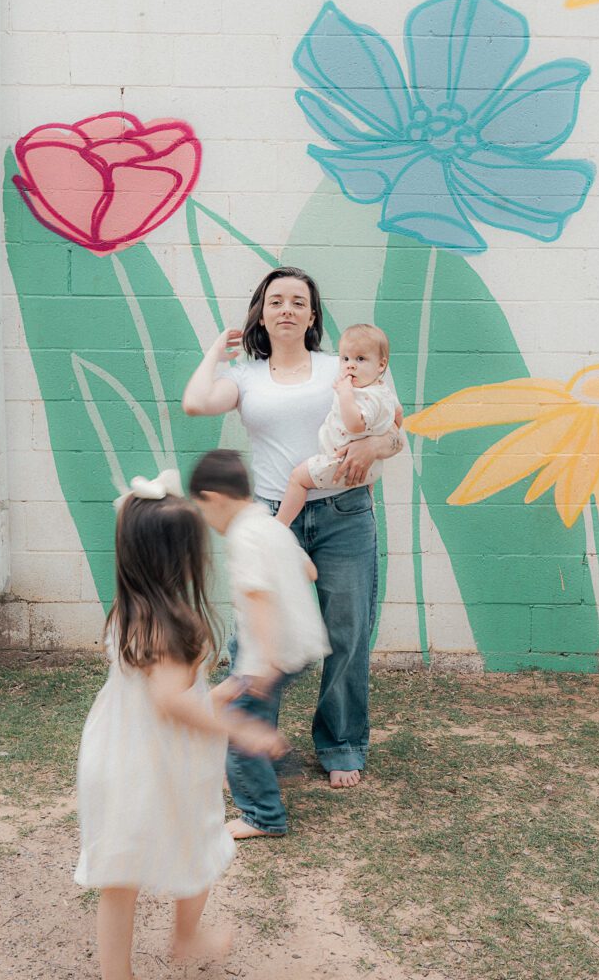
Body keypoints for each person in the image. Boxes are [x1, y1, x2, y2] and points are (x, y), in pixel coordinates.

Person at [182, 267, 403, 800]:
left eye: (298, 302)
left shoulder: (341, 366)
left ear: (311, 315)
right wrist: (215, 349)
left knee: (347, 630)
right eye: (275, 300)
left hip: (343, 512)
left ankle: (341, 744)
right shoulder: (246, 375)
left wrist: (374, 447)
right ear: (261, 311)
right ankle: (255, 742)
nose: (286, 309)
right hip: (270, 517)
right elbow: (194, 402)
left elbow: (396, 427)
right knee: (257, 636)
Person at [74, 470, 286, 980]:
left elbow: (160, 695)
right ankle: (186, 938)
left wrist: (218, 691)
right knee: (198, 844)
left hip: (120, 753)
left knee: (119, 875)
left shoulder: (131, 612)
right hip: (159, 761)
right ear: (181, 559)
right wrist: (240, 726)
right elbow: (171, 701)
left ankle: (116, 973)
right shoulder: (176, 623)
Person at [189, 448, 331, 839]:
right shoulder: (272, 527)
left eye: (202, 511)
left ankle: (262, 815)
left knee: (238, 730)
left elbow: (257, 597)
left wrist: (264, 663)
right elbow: (310, 570)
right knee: (249, 719)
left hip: (268, 654)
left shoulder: (243, 536)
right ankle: (272, 757)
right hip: (300, 645)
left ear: (213, 499)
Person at [276, 323, 403, 527]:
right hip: (368, 471)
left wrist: (345, 394)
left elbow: (354, 424)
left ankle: (278, 525)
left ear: (381, 365)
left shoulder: (362, 395)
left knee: (297, 479)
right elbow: (398, 415)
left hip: (340, 463)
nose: (350, 365)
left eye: (360, 359)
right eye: (345, 359)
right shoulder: (381, 389)